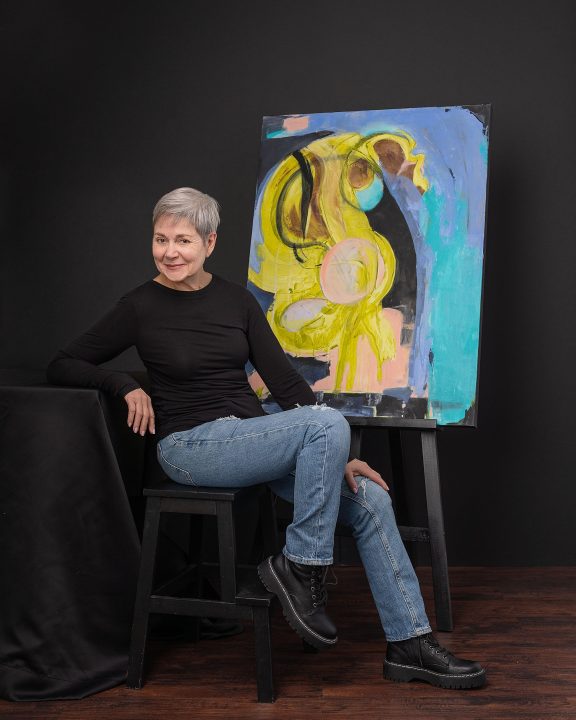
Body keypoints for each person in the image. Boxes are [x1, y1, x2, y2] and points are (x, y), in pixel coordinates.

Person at [47, 187, 486, 690]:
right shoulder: (139, 306)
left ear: (210, 243)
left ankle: (409, 644)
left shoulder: (236, 300)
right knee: (327, 423)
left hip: (254, 437)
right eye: (161, 239)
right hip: (191, 447)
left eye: (184, 241)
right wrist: (124, 384)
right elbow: (63, 362)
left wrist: (336, 459)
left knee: (367, 499)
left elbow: (288, 387)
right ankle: (301, 567)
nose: (170, 252)